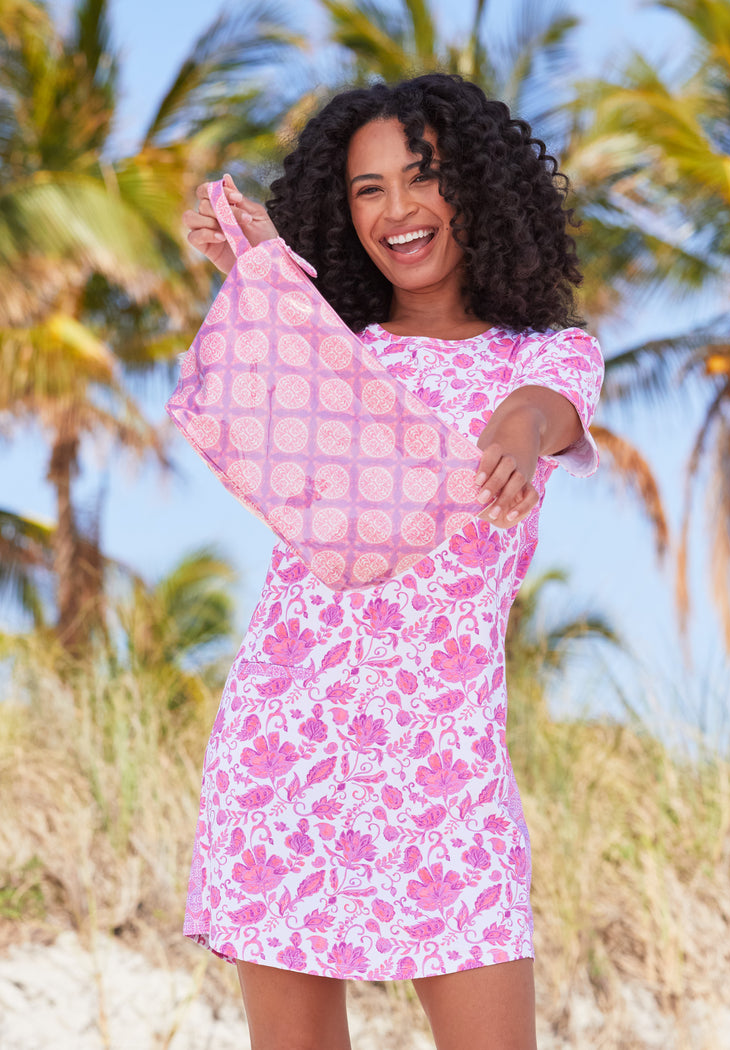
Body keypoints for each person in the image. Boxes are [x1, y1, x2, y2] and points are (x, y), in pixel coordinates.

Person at [180, 73, 604, 1050]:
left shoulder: (543, 357)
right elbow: (286, 354)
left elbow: (550, 406)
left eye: (423, 178)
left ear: (483, 191)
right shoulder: (340, 357)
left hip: (447, 775)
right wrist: (251, 263)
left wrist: (518, 422)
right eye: (368, 189)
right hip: (286, 753)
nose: (398, 210)